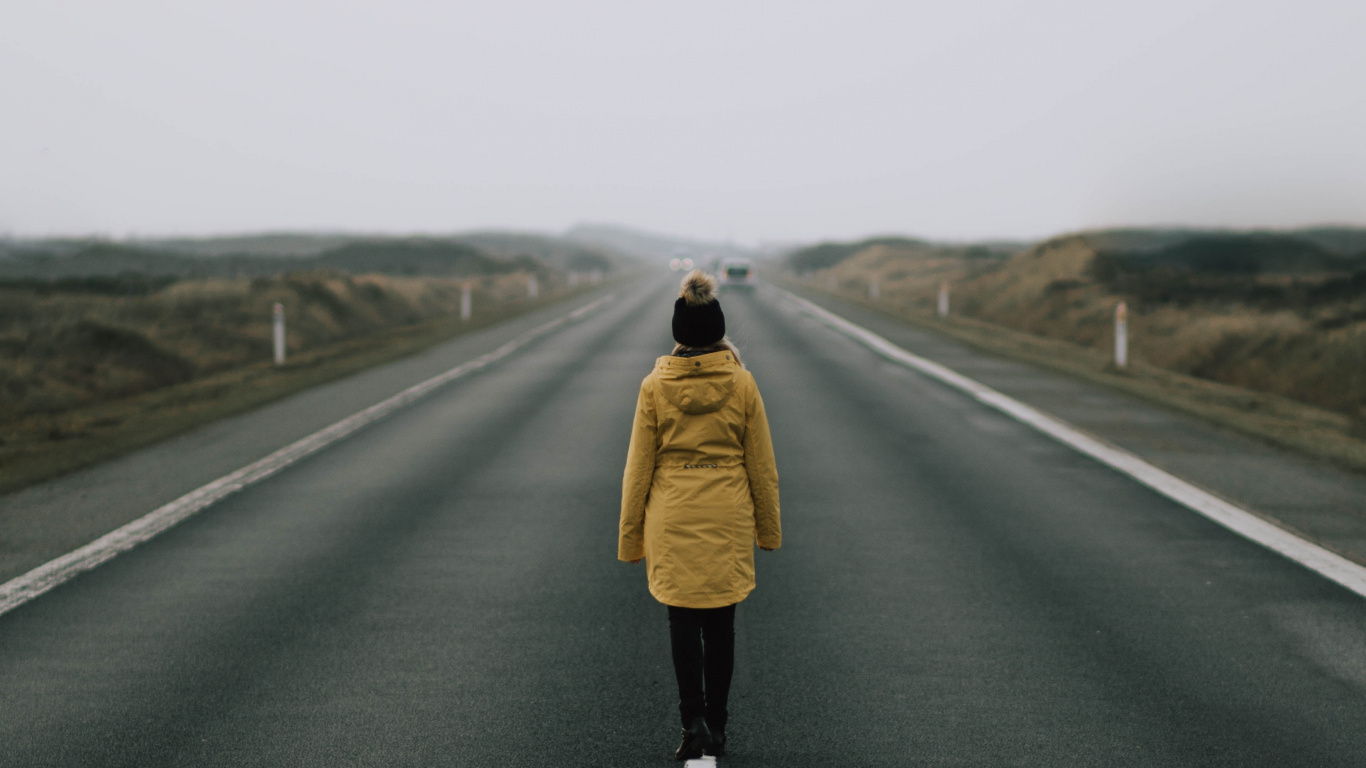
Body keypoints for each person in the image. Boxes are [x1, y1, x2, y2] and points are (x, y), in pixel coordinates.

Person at [619, 270, 782, 761]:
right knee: (721, 626)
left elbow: (638, 468)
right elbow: (762, 464)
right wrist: (767, 531)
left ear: (678, 334)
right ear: (719, 332)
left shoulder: (654, 386)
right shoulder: (743, 383)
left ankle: (692, 723)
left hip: (672, 517)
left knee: (682, 624)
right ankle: (719, 723)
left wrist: (631, 539)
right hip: (727, 515)